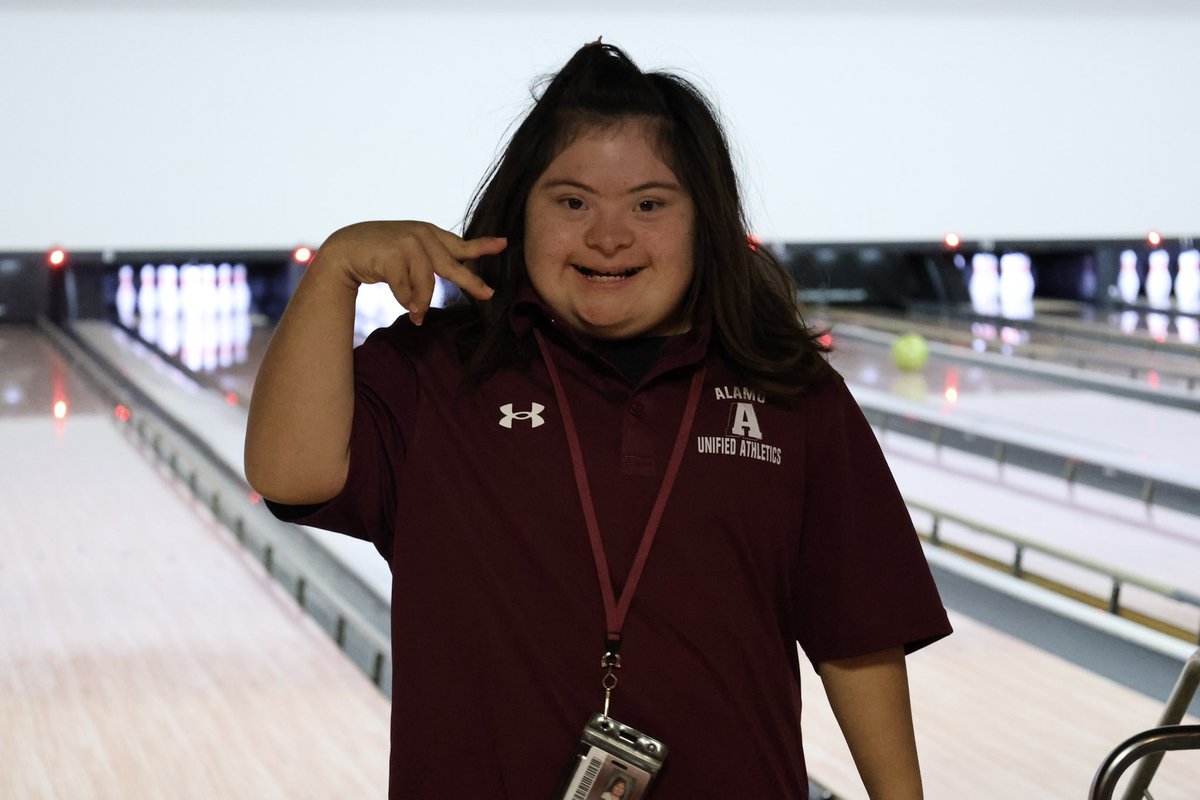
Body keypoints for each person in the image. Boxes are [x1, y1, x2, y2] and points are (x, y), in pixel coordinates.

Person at [244, 40, 952, 799]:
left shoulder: (790, 392)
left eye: (649, 205)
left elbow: (859, 632)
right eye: (572, 202)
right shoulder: (438, 372)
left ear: (703, 221)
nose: (608, 237)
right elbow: (290, 475)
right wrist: (336, 270)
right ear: (522, 213)